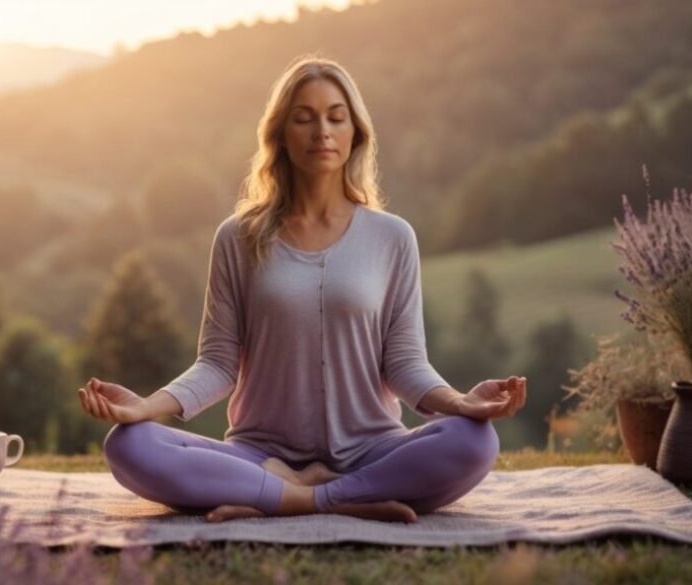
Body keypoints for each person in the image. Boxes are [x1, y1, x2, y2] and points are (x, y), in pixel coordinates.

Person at [76, 56, 527, 524]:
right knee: (130, 445)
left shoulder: (393, 237)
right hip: (260, 456)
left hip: (372, 450)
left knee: (475, 440)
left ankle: (292, 497)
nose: (322, 132)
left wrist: (461, 402)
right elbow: (217, 364)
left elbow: (404, 363)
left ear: (356, 132)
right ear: (279, 134)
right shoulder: (238, 237)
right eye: (304, 118)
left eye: (336, 117)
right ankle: (334, 497)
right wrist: (146, 407)